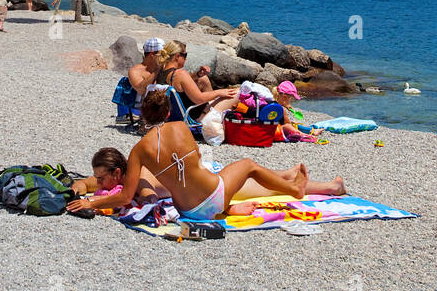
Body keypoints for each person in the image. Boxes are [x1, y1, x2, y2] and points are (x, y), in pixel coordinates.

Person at [66, 90, 333, 220]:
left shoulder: (139, 151)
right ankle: (293, 189)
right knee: (248, 165)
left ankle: (267, 190)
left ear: (144, 115)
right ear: (167, 111)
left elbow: (125, 196)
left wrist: (89, 202)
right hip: (212, 197)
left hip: (189, 210)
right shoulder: (182, 128)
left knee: (231, 176)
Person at [153, 40, 239, 118]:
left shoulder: (161, 72)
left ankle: (213, 103)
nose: (186, 59)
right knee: (239, 92)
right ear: (177, 56)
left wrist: (198, 74)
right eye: (185, 55)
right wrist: (219, 92)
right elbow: (199, 99)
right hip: (195, 116)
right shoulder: (181, 74)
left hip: (175, 115)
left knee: (203, 79)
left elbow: (183, 81)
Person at [128, 37, 164, 102]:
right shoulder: (135, 71)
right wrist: (157, 71)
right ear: (152, 54)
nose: (165, 57)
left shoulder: (164, 67)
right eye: (162, 54)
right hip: (143, 109)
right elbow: (141, 89)